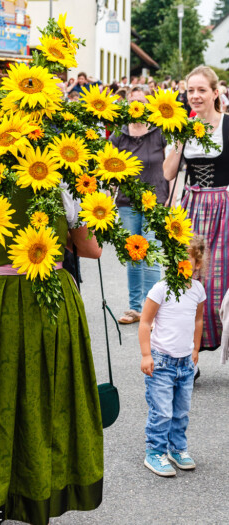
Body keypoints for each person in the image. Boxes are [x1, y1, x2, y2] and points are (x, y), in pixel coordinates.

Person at [0, 166, 104, 525]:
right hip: (49, 305)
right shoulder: (61, 179)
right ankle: (37, 496)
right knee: (44, 398)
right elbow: (90, 249)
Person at [163, 65, 229, 354]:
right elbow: (168, 173)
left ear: (216, 93)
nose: (195, 95)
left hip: (224, 209)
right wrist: (179, 139)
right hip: (191, 209)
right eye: (190, 90)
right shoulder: (185, 129)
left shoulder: (227, 125)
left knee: (221, 282)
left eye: (202, 90)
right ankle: (191, 354)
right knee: (189, 280)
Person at [139, 235, 206, 477]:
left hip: (185, 363)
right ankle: (155, 451)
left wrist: (195, 349)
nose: (180, 264)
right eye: (175, 260)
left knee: (181, 410)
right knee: (162, 411)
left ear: (197, 263)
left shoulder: (198, 290)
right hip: (162, 362)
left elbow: (198, 320)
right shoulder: (161, 288)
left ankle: (177, 448)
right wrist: (146, 355)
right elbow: (145, 323)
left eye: (186, 260)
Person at [109, 88, 170, 324]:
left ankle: (152, 312)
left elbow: (170, 164)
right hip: (127, 201)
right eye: (132, 101)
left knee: (151, 254)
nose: (137, 105)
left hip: (155, 200)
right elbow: (109, 166)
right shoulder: (119, 134)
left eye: (141, 101)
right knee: (133, 254)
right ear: (126, 105)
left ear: (149, 105)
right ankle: (135, 308)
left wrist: (172, 196)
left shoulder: (159, 132)